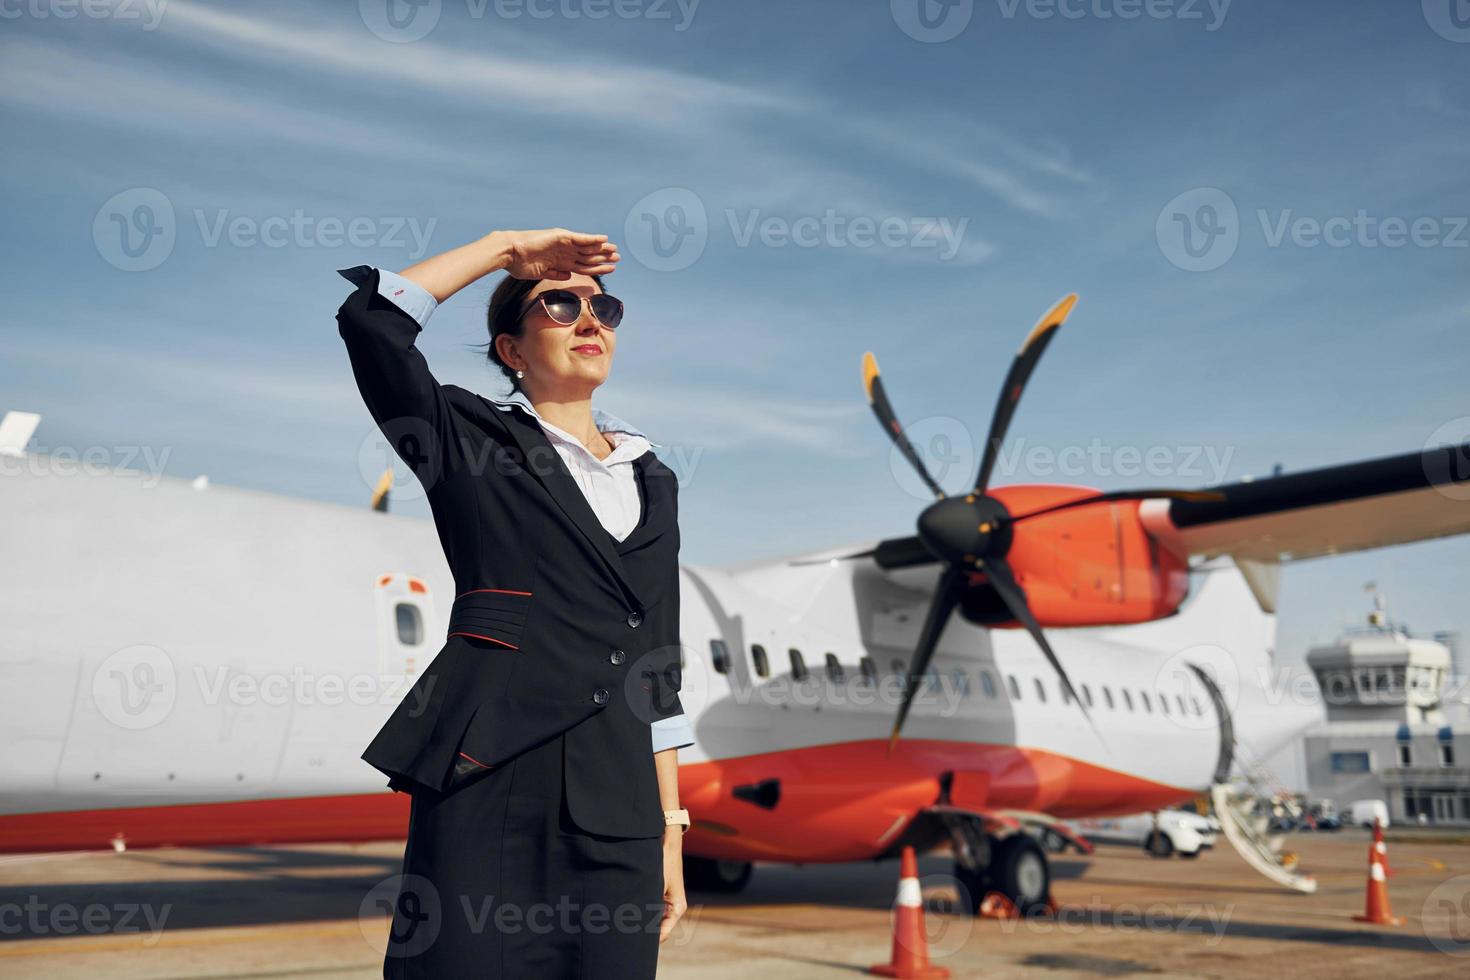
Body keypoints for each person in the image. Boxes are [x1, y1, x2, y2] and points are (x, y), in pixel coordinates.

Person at [335, 228, 693, 978]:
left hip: (620, 808)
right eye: (559, 305)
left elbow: (658, 668)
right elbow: (373, 324)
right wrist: (505, 252)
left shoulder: (655, 477)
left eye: (602, 308)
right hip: (491, 781)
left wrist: (671, 833)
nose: (590, 320)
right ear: (512, 350)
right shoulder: (468, 437)